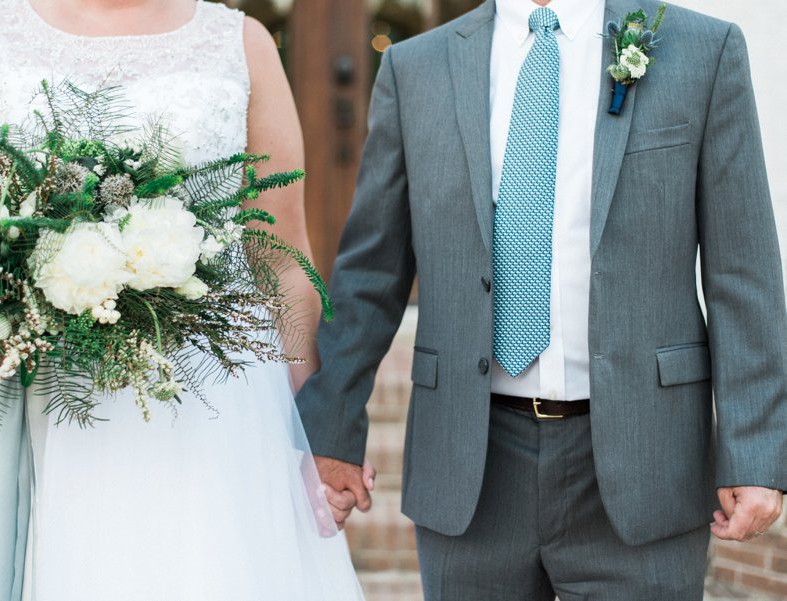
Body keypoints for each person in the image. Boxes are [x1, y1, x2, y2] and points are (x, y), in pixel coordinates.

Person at [297, 0, 787, 599]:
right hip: (470, 468)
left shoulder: (702, 51)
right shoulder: (414, 67)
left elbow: (743, 274)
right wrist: (332, 431)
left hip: (646, 463)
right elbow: (370, 274)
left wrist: (756, 452)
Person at [0, 1, 369, 599]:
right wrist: (2, 306)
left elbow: (279, 258)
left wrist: (317, 428)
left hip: (200, 412)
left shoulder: (241, 44)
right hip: (18, 390)